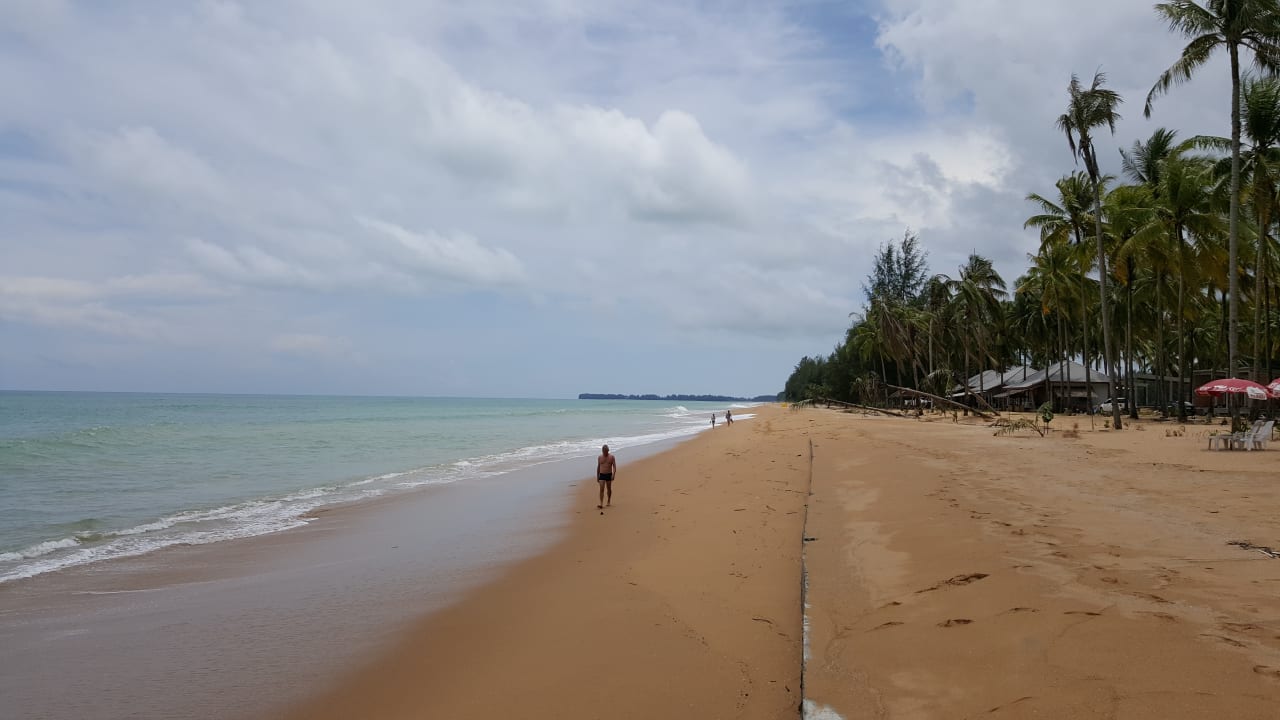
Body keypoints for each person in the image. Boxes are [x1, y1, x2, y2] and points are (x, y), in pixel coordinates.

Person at [596, 444, 617, 509]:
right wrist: (597, 476)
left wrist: (613, 475)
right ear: (602, 451)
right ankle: (601, 503)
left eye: (606, 451)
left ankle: (608, 501)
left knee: (609, 489)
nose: (605, 452)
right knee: (601, 489)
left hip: (609, 474)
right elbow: (598, 467)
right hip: (602, 475)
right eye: (604, 451)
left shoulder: (612, 457)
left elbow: (614, 467)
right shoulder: (600, 457)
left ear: (608, 450)